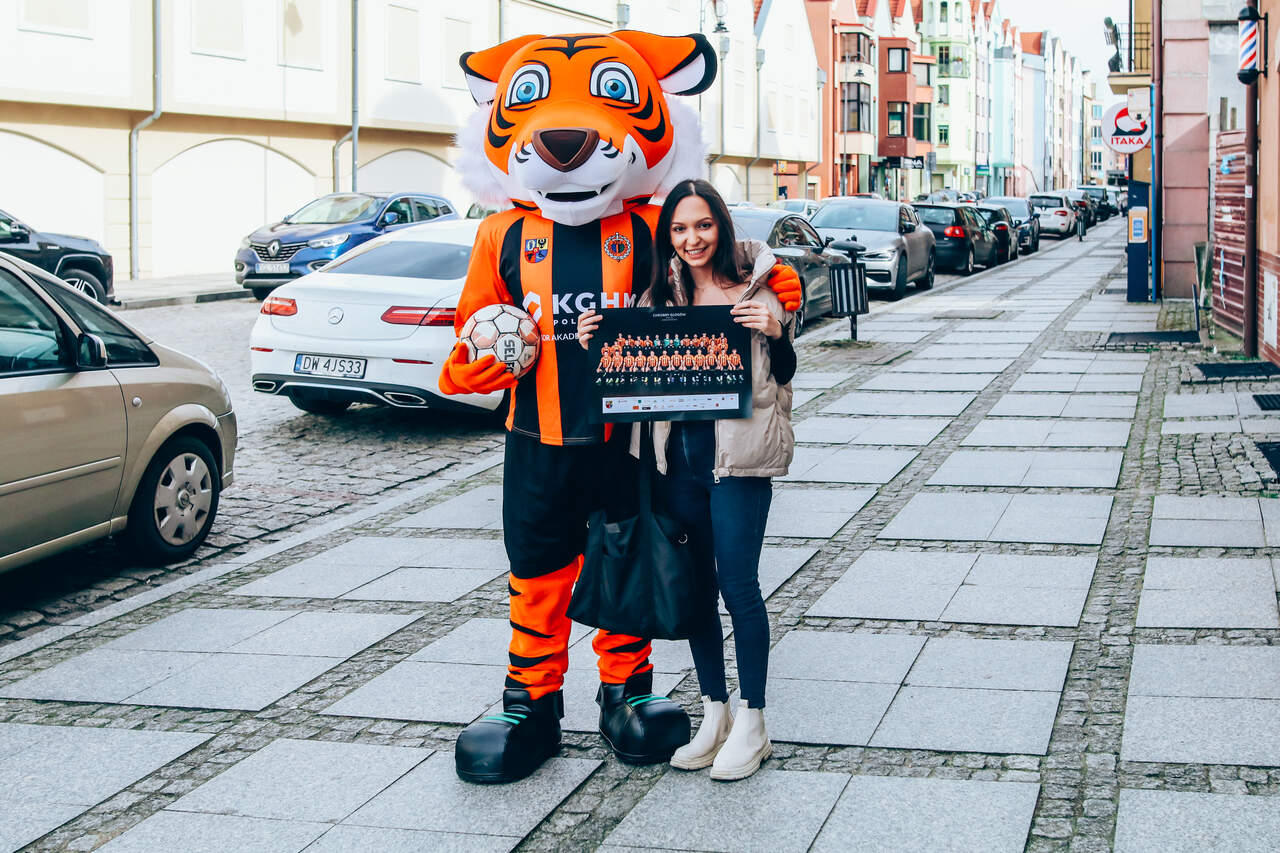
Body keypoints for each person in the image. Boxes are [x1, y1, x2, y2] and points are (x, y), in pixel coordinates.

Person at [578, 179, 795, 781]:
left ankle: (753, 719)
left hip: (738, 463)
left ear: (720, 225)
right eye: (679, 228)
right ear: (667, 236)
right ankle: (715, 711)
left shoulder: (759, 288)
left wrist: (776, 330)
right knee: (698, 589)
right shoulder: (658, 294)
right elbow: (631, 377)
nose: (692, 238)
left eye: (702, 225)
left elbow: (785, 374)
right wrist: (599, 344)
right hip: (676, 465)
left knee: (739, 587)